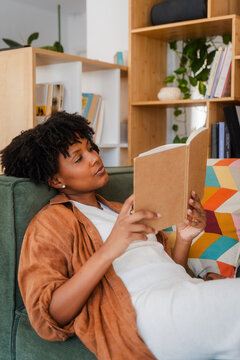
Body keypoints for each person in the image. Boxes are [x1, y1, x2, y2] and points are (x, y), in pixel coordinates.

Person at [1, 111, 240, 360]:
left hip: (181, 293)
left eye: (91, 148)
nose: (94, 158)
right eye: (78, 158)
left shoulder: (121, 208)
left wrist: (184, 238)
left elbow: (167, 271)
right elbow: (49, 316)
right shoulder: (51, 222)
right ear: (56, 178)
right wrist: (110, 248)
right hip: (142, 313)